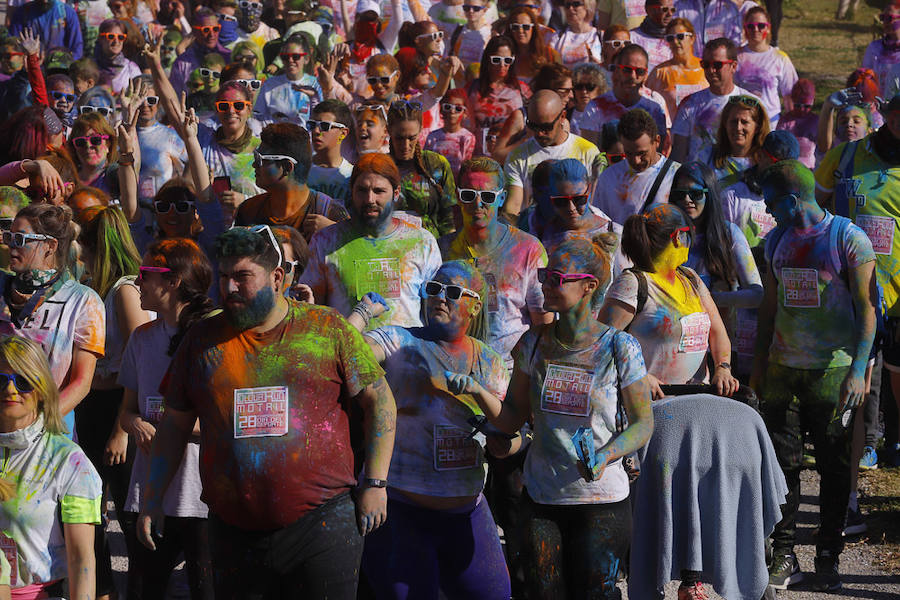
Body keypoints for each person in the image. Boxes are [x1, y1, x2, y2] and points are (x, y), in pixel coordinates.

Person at [137, 226, 397, 599]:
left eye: (243, 277)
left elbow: (381, 401)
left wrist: (375, 482)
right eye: (224, 277)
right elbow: (174, 425)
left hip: (322, 525)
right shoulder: (201, 340)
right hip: (232, 531)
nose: (229, 289)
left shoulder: (327, 328)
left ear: (277, 278)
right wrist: (152, 499)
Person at [455, 233, 653, 599]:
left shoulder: (619, 346)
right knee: (542, 592)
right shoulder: (533, 342)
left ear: (589, 287)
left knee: (595, 592)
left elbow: (643, 423)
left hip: (601, 500)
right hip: (542, 497)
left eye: (557, 279)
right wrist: (478, 393)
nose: (545, 283)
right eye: (545, 274)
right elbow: (513, 416)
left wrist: (608, 454)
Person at [752, 160, 876, 591]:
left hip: (834, 372)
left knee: (834, 467)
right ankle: (785, 555)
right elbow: (768, 310)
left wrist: (859, 369)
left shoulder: (847, 238)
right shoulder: (775, 242)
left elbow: (867, 310)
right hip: (785, 374)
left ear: (791, 199)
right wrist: (758, 370)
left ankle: (828, 556)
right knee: (781, 468)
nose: (767, 211)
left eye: (771, 203)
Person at [355, 261, 512, 600]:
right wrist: (361, 314)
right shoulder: (398, 339)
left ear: (475, 305)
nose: (440, 298)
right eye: (433, 289)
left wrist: (505, 446)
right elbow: (349, 354)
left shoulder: (491, 362)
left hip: (466, 510)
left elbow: (514, 431)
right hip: (400, 507)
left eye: (453, 293)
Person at [118, 238, 215, 600]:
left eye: (145, 274)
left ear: (173, 281)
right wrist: (135, 424)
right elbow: (128, 411)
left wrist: (174, 427)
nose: (137, 283)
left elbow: (230, 421)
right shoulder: (142, 339)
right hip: (150, 493)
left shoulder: (214, 337)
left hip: (201, 496)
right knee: (144, 590)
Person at [629, 393, 788, 600]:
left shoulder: (650, 411)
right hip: (736, 445)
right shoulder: (747, 415)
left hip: (664, 439)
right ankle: (699, 583)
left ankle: (690, 583)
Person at [815, 94, 900, 469]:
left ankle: (888, 444)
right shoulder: (846, 156)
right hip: (847, 290)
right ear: (887, 116)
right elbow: (813, 209)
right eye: (897, 114)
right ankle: (846, 454)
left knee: (892, 380)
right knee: (851, 376)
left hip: (897, 297)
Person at [76, 204, 152, 600]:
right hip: (91, 406)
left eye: (82, 246)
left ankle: (140, 588)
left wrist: (122, 428)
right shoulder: (97, 287)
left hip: (118, 410)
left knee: (127, 509)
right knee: (87, 507)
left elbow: (142, 360)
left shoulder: (125, 289)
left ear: (94, 246)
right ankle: (102, 588)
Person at [598, 203, 739, 398]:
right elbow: (600, 342)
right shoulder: (633, 284)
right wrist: (638, 376)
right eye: (690, 233)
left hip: (696, 400)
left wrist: (723, 368)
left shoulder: (690, 278)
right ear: (677, 237)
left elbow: (717, 332)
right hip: (650, 406)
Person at [0, 335, 101, 597]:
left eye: (23, 382)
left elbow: (81, 560)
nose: (10, 390)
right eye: (0, 380)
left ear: (42, 389)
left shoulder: (69, 461)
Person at [299, 153, 442, 330]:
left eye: (379, 191)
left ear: (396, 193)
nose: (370, 199)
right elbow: (313, 310)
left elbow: (436, 310)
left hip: (407, 355)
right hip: (347, 353)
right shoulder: (325, 242)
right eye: (362, 190)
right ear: (351, 191)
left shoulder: (421, 242)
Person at [0, 204, 105, 436]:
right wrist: (27, 166)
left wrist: (38, 425)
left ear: (50, 246)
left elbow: (81, 382)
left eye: (20, 238)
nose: (10, 244)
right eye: (9, 236)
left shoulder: (83, 300)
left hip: (49, 434)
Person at [669, 161, 763, 374]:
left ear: (709, 194)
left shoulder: (729, 234)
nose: (687, 200)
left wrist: (709, 299)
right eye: (680, 194)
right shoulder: (666, 234)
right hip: (674, 350)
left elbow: (756, 295)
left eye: (695, 194)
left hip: (720, 353)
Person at [234, 123, 348, 241]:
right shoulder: (249, 211)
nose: (254, 165)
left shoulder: (330, 213)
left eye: (260, 159)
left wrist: (335, 232)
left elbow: (359, 254)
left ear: (287, 167)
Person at [504, 89, 603, 223]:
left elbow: (595, 202)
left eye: (546, 127)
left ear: (562, 116)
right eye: (533, 126)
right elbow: (513, 206)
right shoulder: (517, 156)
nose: (539, 133)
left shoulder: (588, 151)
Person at [671, 38, 760, 164]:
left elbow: (761, 147)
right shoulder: (689, 104)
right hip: (699, 180)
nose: (711, 70)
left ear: (733, 66)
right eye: (706, 65)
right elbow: (678, 154)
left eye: (717, 65)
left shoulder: (752, 104)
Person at [591, 108, 677, 227]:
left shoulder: (676, 175)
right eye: (629, 153)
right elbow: (599, 225)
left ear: (657, 141)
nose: (636, 160)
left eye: (642, 153)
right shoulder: (608, 177)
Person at [540, 158, 625, 278]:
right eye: (561, 201)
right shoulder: (541, 233)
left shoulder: (615, 233)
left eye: (578, 199)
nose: (571, 208)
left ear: (589, 190)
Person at [387, 99, 457, 238]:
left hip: (430, 245)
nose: (405, 145)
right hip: (390, 247)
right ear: (389, 130)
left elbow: (449, 216)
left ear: (420, 130)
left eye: (411, 138)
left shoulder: (436, 164)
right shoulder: (380, 167)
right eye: (399, 138)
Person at [580, 44, 670, 152]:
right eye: (627, 70)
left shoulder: (656, 104)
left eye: (639, 71)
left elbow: (661, 150)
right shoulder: (596, 107)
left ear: (646, 75)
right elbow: (590, 153)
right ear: (617, 71)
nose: (632, 76)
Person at [734, 6, 798, 128]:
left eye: (761, 26)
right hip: (741, 124)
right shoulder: (736, 56)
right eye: (750, 26)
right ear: (745, 28)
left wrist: (791, 127)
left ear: (768, 28)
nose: (756, 29)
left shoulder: (780, 58)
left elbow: (790, 96)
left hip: (771, 124)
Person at [464, 35, 527, 156]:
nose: (502, 65)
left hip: (510, 158)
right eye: (496, 60)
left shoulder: (522, 90)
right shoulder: (471, 88)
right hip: (479, 158)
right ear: (487, 59)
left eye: (507, 60)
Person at [255, 35, 323, 127]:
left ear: (306, 59)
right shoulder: (269, 84)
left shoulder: (316, 84)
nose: (290, 60)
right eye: (285, 57)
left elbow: (320, 118)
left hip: (305, 138)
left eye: (296, 56)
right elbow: (258, 117)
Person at [646, 18, 708, 119]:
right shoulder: (660, 72)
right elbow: (647, 104)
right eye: (670, 38)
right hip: (672, 132)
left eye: (680, 36)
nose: (675, 41)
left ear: (692, 38)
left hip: (702, 131)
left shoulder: (706, 68)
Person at [169, 9, 232, 96]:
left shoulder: (228, 57)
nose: (212, 34)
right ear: (194, 31)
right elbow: (175, 96)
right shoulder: (181, 63)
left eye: (215, 29)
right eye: (206, 30)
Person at [307, 99, 355, 205]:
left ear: (343, 133)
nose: (316, 131)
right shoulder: (300, 170)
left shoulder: (352, 176)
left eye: (324, 126)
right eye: (312, 125)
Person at [424, 89, 476, 178]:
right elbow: (426, 163)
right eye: (447, 107)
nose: (452, 111)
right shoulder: (432, 136)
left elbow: (466, 167)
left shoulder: (467, 137)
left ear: (465, 113)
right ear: (441, 110)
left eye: (458, 108)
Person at [8, 0, 84, 60]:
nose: (45, 1)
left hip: (58, 70)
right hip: (29, 68)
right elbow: (13, 45)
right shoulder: (22, 13)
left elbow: (76, 48)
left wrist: (67, 65)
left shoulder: (67, 13)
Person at [505, 6, 559, 89]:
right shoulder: (504, 57)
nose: (520, 31)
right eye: (515, 27)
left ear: (533, 28)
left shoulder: (550, 55)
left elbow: (560, 84)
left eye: (526, 27)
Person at [68, 113, 118, 194]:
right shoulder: (68, 181)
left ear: (108, 144)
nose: (88, 146)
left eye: (95, 140)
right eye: (80, 142)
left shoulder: (117, 176)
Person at [674, 0, 742, 56]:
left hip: (718, 66)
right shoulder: (681, 6)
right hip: (689, 66)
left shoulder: (730, 8)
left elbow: (735, 44)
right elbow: (673, 37)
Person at [861, 0, 900, 98]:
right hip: (878, 108)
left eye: (889, 18)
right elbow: (865, 80)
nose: (885, 22)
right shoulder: (874, 48)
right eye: (882, 18)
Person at [777, 79, 818, 169]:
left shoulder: (816, 121)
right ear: (792, 101)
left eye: (807, 106)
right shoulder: (785, 121)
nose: (802, 110)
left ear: (813, 102)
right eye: (797, 106)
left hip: (810, 168)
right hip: (788, 167)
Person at [550, 0, 603, 68]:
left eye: (576, 4)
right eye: (567, 5)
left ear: (588, 7)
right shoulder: (556, 37)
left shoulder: (600, 36)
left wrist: (599, 66)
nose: (570, 8)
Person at [94, 19, 140, 95]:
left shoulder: (131, 69)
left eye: (121, 37)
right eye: (111, 36)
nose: (116, 41)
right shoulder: (91, 67)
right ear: (100, 38)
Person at [444, 0, 492, 68]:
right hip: (457, 77)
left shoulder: (490, 34)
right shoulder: (456, 31)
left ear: (484, 10)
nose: (471, 11)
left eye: (476, 8)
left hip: (479, 76)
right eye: (466, 8)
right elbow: (447, 55)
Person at [629, 0, 674, 70]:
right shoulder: (632, 38)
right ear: (649, 10)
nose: (670, 14)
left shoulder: (676, 39)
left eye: (673, 10)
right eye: (664, 9)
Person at [569, 63, 607, 145]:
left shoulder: (607, 116)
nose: (584, 91)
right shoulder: (565, 115)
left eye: (590, 86)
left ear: (600, 89)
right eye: (579, 86)